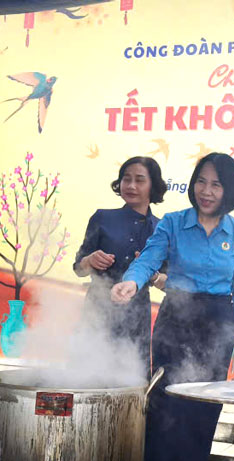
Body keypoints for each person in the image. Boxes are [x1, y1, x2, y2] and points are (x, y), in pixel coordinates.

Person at [112, 152, 234, 461]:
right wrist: (132, 280)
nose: (207, 191)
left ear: (229, 190)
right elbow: (148, 260)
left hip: (217, 325)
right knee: (162, 404)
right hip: (176, 318)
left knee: (204, 408)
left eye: (217, 184)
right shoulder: (174, 224)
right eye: (201, 182)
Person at [73, 157, 167, 377]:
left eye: (140, 180)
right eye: (126, 179)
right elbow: (78, 268)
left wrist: (150, 274)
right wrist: (90, 260)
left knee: (131, 379)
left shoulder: (162, 228)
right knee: (88, 374)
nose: (131, 186)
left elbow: (168, 282)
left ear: (153, 185)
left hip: (137, 314)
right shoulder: (102, 218)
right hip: (98, 309)